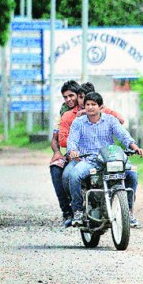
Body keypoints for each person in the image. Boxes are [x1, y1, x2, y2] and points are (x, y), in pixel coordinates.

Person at [64, 92, 143, 227]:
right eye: (87, 104)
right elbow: (72, 140)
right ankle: (77, 211)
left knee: (132, 174)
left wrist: (134, 147)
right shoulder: (78, 122)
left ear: (101, 107)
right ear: (84, 106)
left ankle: (129, 212)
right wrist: (72, 151)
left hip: (111, 158)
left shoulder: (110, 120)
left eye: (93, 105)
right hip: (90, 160)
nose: (90, 107)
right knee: (74, 175)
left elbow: (123, 135)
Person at [49, 81, 81, 227]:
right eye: (65, 97)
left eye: (71, 96)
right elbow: (55, 138)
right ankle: (67, 212)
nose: (69, 100)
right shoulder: (64, 114)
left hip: (89, 152)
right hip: (70, 153)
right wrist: (57, 152)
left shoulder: (90, 107)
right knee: (55, 167)